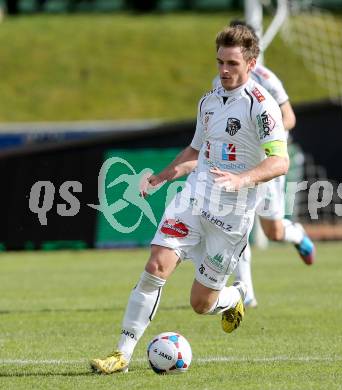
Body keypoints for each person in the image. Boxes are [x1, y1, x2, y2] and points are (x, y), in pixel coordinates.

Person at [90, 24, 289, 374]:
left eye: (232, 64)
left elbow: (280, 161)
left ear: (251, 63)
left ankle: (234, 296)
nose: (224, 71)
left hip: (232, 213)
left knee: (201, 303)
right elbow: (196, 149)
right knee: (156, 266)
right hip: (194, 198)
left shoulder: (262, 107)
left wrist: (241, 178)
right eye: (220, 63)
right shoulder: (209, 101)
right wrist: (163, 176)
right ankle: (121, 353)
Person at [214, 20, 316, 309]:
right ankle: (246, 293)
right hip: (235, 164)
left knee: (274, 232)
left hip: (266, 164)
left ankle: (297, 234)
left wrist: (265, 140)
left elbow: (290, 118)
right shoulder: (220, 80)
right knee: (237, 226)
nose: (226, 67)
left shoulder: (267, 79)